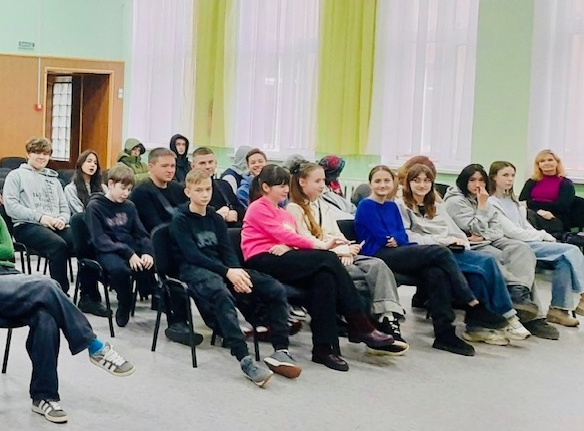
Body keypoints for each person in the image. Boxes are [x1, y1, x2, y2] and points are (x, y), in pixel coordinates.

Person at [0, 163, 134, 423]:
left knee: (46, 317)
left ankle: (44, 397)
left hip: (8, 277)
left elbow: (6, 251)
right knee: (48, 284)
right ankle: (94, 346)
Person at [242, 165, 403, 370]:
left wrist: (288, 245)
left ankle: (324, 348)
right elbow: (285, 235)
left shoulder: (283, 212)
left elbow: (291, 238)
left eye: (286, 185)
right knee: (328, 259)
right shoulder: (258, 207)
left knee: (324, 277)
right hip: (261, 259)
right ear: (265, 187)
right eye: (280, 186)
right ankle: (359, 323)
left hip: (283, 257)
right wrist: (321, 245)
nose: (285, 190)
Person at [354, 165, 502, 355]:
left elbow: (401, 234)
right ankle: (470, 301)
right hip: (377, 254)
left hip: (398, 250)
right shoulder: (366, 205)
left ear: (393, 183)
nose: (383, 185)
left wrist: (395, 239)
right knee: (440, 252)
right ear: (370, 184)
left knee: (436, 272)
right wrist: (390, 238)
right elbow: (379, 234)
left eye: (386, 181)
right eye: (378, 181)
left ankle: (444, 333)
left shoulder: (391, 206)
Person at [170, 169, 298, 386]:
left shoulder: (215, 218)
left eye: (208, 189)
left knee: (273, 287)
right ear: (188, 192)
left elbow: (226, 251)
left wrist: (237, 272)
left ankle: (281, 350)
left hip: (222, 268)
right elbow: (193, 255)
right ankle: (244, 358)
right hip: (194, 270)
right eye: (199, 190)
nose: (205, 194)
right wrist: (227, 273)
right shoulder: (180, 219)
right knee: (222, 294)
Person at [397, 163, 537, 341]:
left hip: (450, 248)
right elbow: (408, 237)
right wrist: (444, 240)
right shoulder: (401, 206)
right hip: (428, 252)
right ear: (408, 183)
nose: (422, 185)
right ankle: (510, 317)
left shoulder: (437, 206)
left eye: (426, 181)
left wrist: (462, 242)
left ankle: (477, 327)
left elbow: (456, 232)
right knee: (487, 261)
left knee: (479, 272)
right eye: (416, 181)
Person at [285, 160, 407, 339]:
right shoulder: (294, 208)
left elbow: (337, 233)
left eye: (323, 180)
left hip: (341, 252)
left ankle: (387, 316)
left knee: (377, 265)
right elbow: (306, 240)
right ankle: (365, 324)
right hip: (324, 257)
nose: (323, 185)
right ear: (302, 182)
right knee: (361, 278)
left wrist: (346, 248)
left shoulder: (322, 205)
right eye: (317, 181)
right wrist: (339, 251)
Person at [442, 164, 543, 324]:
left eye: (481, 180)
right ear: (464, 181)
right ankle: (517, 305)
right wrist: (482, 207)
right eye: (472, 180)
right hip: (468, 245)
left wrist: (484, 235)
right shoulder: (455, 201)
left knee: (522, 249)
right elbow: (474, 227)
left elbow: (497, 229)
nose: (477, 184)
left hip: (488, 239)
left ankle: (518, 294)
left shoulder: (483, 198)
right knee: (498, 256)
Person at [489, 160, 584, 327]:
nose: (510, 179)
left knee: (564, 260)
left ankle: (558, 309)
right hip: (514, 245)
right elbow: (512, 232)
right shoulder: (491, 203)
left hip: (529, 240)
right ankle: (583, 296)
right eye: (505, 175)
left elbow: (525, 226)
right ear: (494, 178)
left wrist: (543, 236)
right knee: (572, 250)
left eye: (512, 175)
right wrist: (542, 235)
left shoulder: (513, 201)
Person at [128, 147, 200, 344]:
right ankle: (178, 321)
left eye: (173, 166)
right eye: (165, 166)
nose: (170, 170)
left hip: (179, 240)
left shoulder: (177, 189)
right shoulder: (141, 192)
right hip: (152, 245)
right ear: (151, 167)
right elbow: (154, 225)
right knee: (177, 268)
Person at [83, 165, 155, 329]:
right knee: (120, 270)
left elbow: (141, 234)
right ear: (110, 184)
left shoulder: (129, 206)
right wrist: (128, 253)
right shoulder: (95, 207)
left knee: (149, 264)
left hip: (128, 248)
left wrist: (147, 252)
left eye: (129, 189)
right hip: (107, 249)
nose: (126, 193)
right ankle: (125, 301)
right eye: (122, 188)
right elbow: (100, 240)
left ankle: (153, 292)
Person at [2, 137, 76, 293]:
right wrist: (40, 217)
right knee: (58, 246)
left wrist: (62, 219)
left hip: (55, 225)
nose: (41, 157)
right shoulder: (16, 176)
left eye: (45, 153)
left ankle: (88, 294)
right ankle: (60, 292)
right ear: (28, 154)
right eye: (37, 153)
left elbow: (64, 208)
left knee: (82, 241)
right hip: (27, 225)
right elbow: (11, 207)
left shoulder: (54, 180)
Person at [517, 149, 578, 238]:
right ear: (538, 165)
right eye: (542, 161)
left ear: (557, 162)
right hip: (532, 214)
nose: (546, 163)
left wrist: (532, 204)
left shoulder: (566, 183)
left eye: (550, 160)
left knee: (526, 217)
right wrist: (539, 211)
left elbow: (561, 207)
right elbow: (522, 202)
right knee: (522, 214)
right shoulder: (531, 182)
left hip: (554, 218)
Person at [189, 147, 240, 226]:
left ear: (215, 163)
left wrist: (234, 212)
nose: (207, 166)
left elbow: (240, 209)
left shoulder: (224, 185)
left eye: (210, 162)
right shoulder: (188, 189)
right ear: (193, 166)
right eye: (202, 163)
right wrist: (218, 216)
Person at [64, 149, 101, 216]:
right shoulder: (70, 189)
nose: (92, 165)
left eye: (95, 163)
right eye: (89, 161)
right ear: (81, 164)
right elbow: (78, 212)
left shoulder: (102, 187)